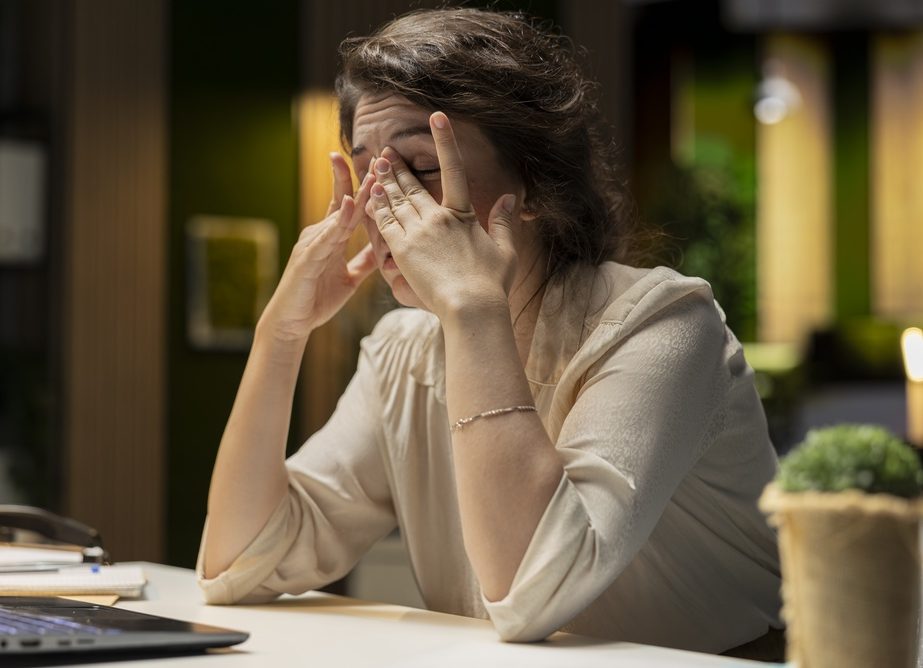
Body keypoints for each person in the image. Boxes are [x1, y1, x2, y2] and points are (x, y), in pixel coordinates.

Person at [197, 6, 783, 657]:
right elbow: (237, 566)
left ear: (529, 184)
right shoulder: (404, 349)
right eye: (367, 169)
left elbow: (533, 591)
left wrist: (474, 308)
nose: (381, 205)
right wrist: (279, 336)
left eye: (419, 166)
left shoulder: (663, 324)